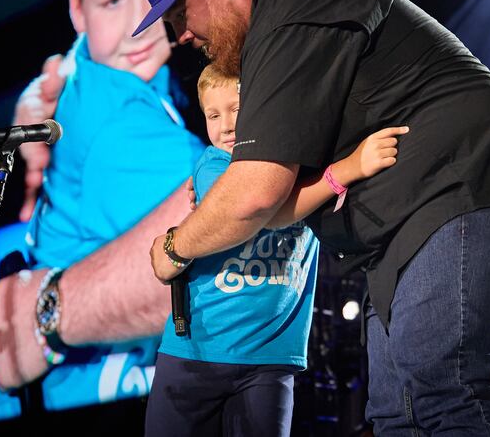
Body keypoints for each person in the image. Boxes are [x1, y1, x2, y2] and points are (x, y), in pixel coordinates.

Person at [0, 0, 490, 437]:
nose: (181, 35)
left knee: (447, 392)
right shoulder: (274, 31)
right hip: (414, 223)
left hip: (467, 186)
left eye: (180, 12)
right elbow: (271, 198)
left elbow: (255, 194)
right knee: (399, 411)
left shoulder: (288, 19)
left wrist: (174, 247)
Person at [0, 0, 204, 421]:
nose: (138, 24)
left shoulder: (97, 73)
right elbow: (234, 223)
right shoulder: (120, 122)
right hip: (87, 405)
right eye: (113, 1)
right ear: (76, 5)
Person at [145, 65, 407, 436]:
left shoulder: (301, 169)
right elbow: (266, 210)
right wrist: (347, 170)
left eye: (237, 109)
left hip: (272, 358)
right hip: (198, 352)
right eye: (213, 115)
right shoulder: (214, 165)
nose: (226, 126)